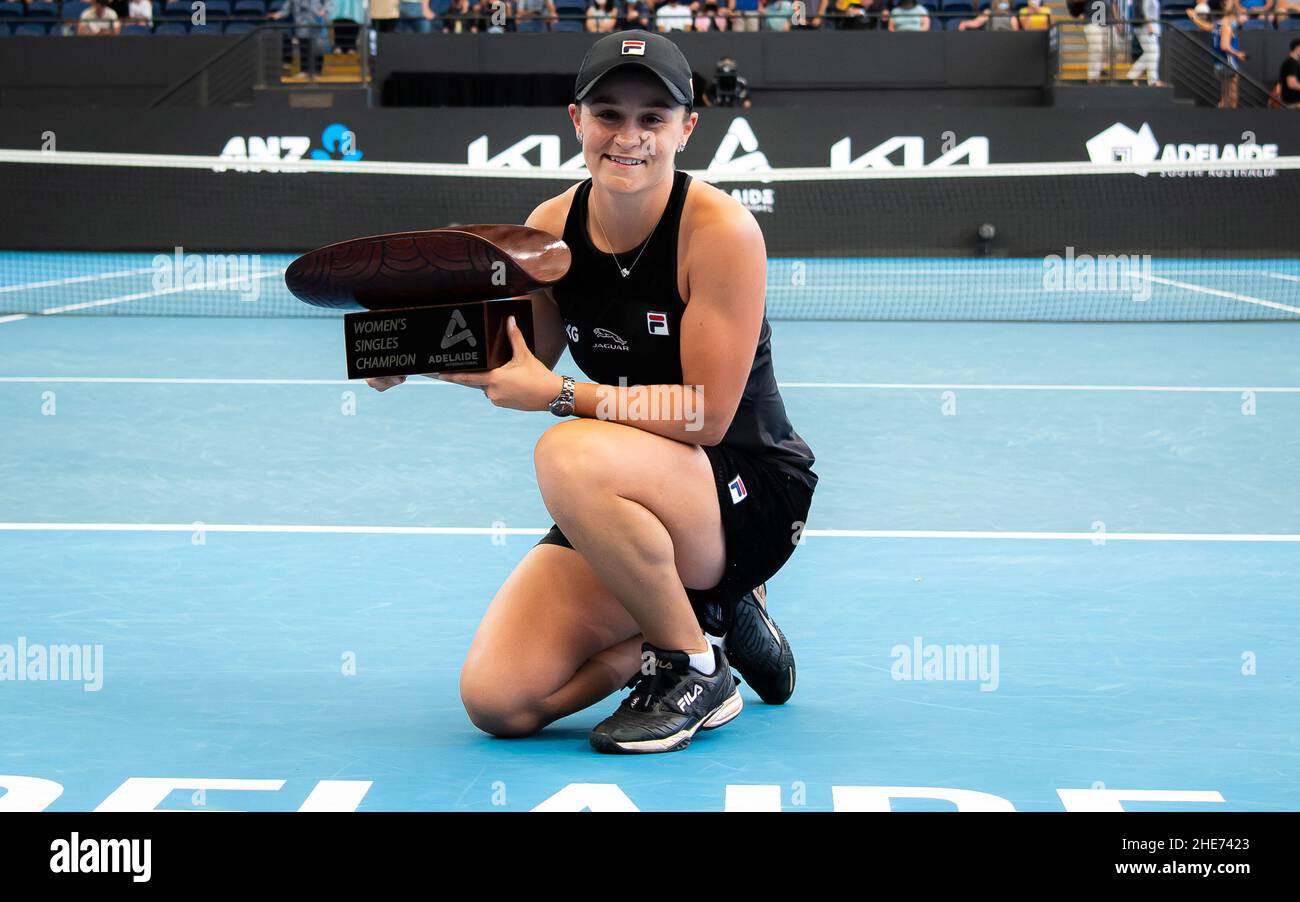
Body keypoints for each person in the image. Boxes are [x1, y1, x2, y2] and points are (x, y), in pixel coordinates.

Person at [367, 30, 816, 754]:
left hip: (747, 493)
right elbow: (521, 355)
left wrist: (564, 397)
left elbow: (704, 414)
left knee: (567, 452)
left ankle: (690, 667)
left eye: (652, 118)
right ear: (576, 120)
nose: (628, 136)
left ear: (686, 129)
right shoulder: (552, 228)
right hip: (631, 491)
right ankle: (701, 637)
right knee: (500, 700)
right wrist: (412, 350)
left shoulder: (721, 233)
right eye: (608, 113)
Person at [1126, 0, 1162, 86]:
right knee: (1154, 53)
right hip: (1146, 27)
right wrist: (1149, 25)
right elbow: (1145, 10)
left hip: (1149, 26)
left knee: (1150, 53)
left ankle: (1132, 75)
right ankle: (1153, 81)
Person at [1279, 37, 1300, 108]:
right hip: (1293, 104)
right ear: (1297, 48)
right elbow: (1292, 84)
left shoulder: (1290, 62)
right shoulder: (1291, 63)